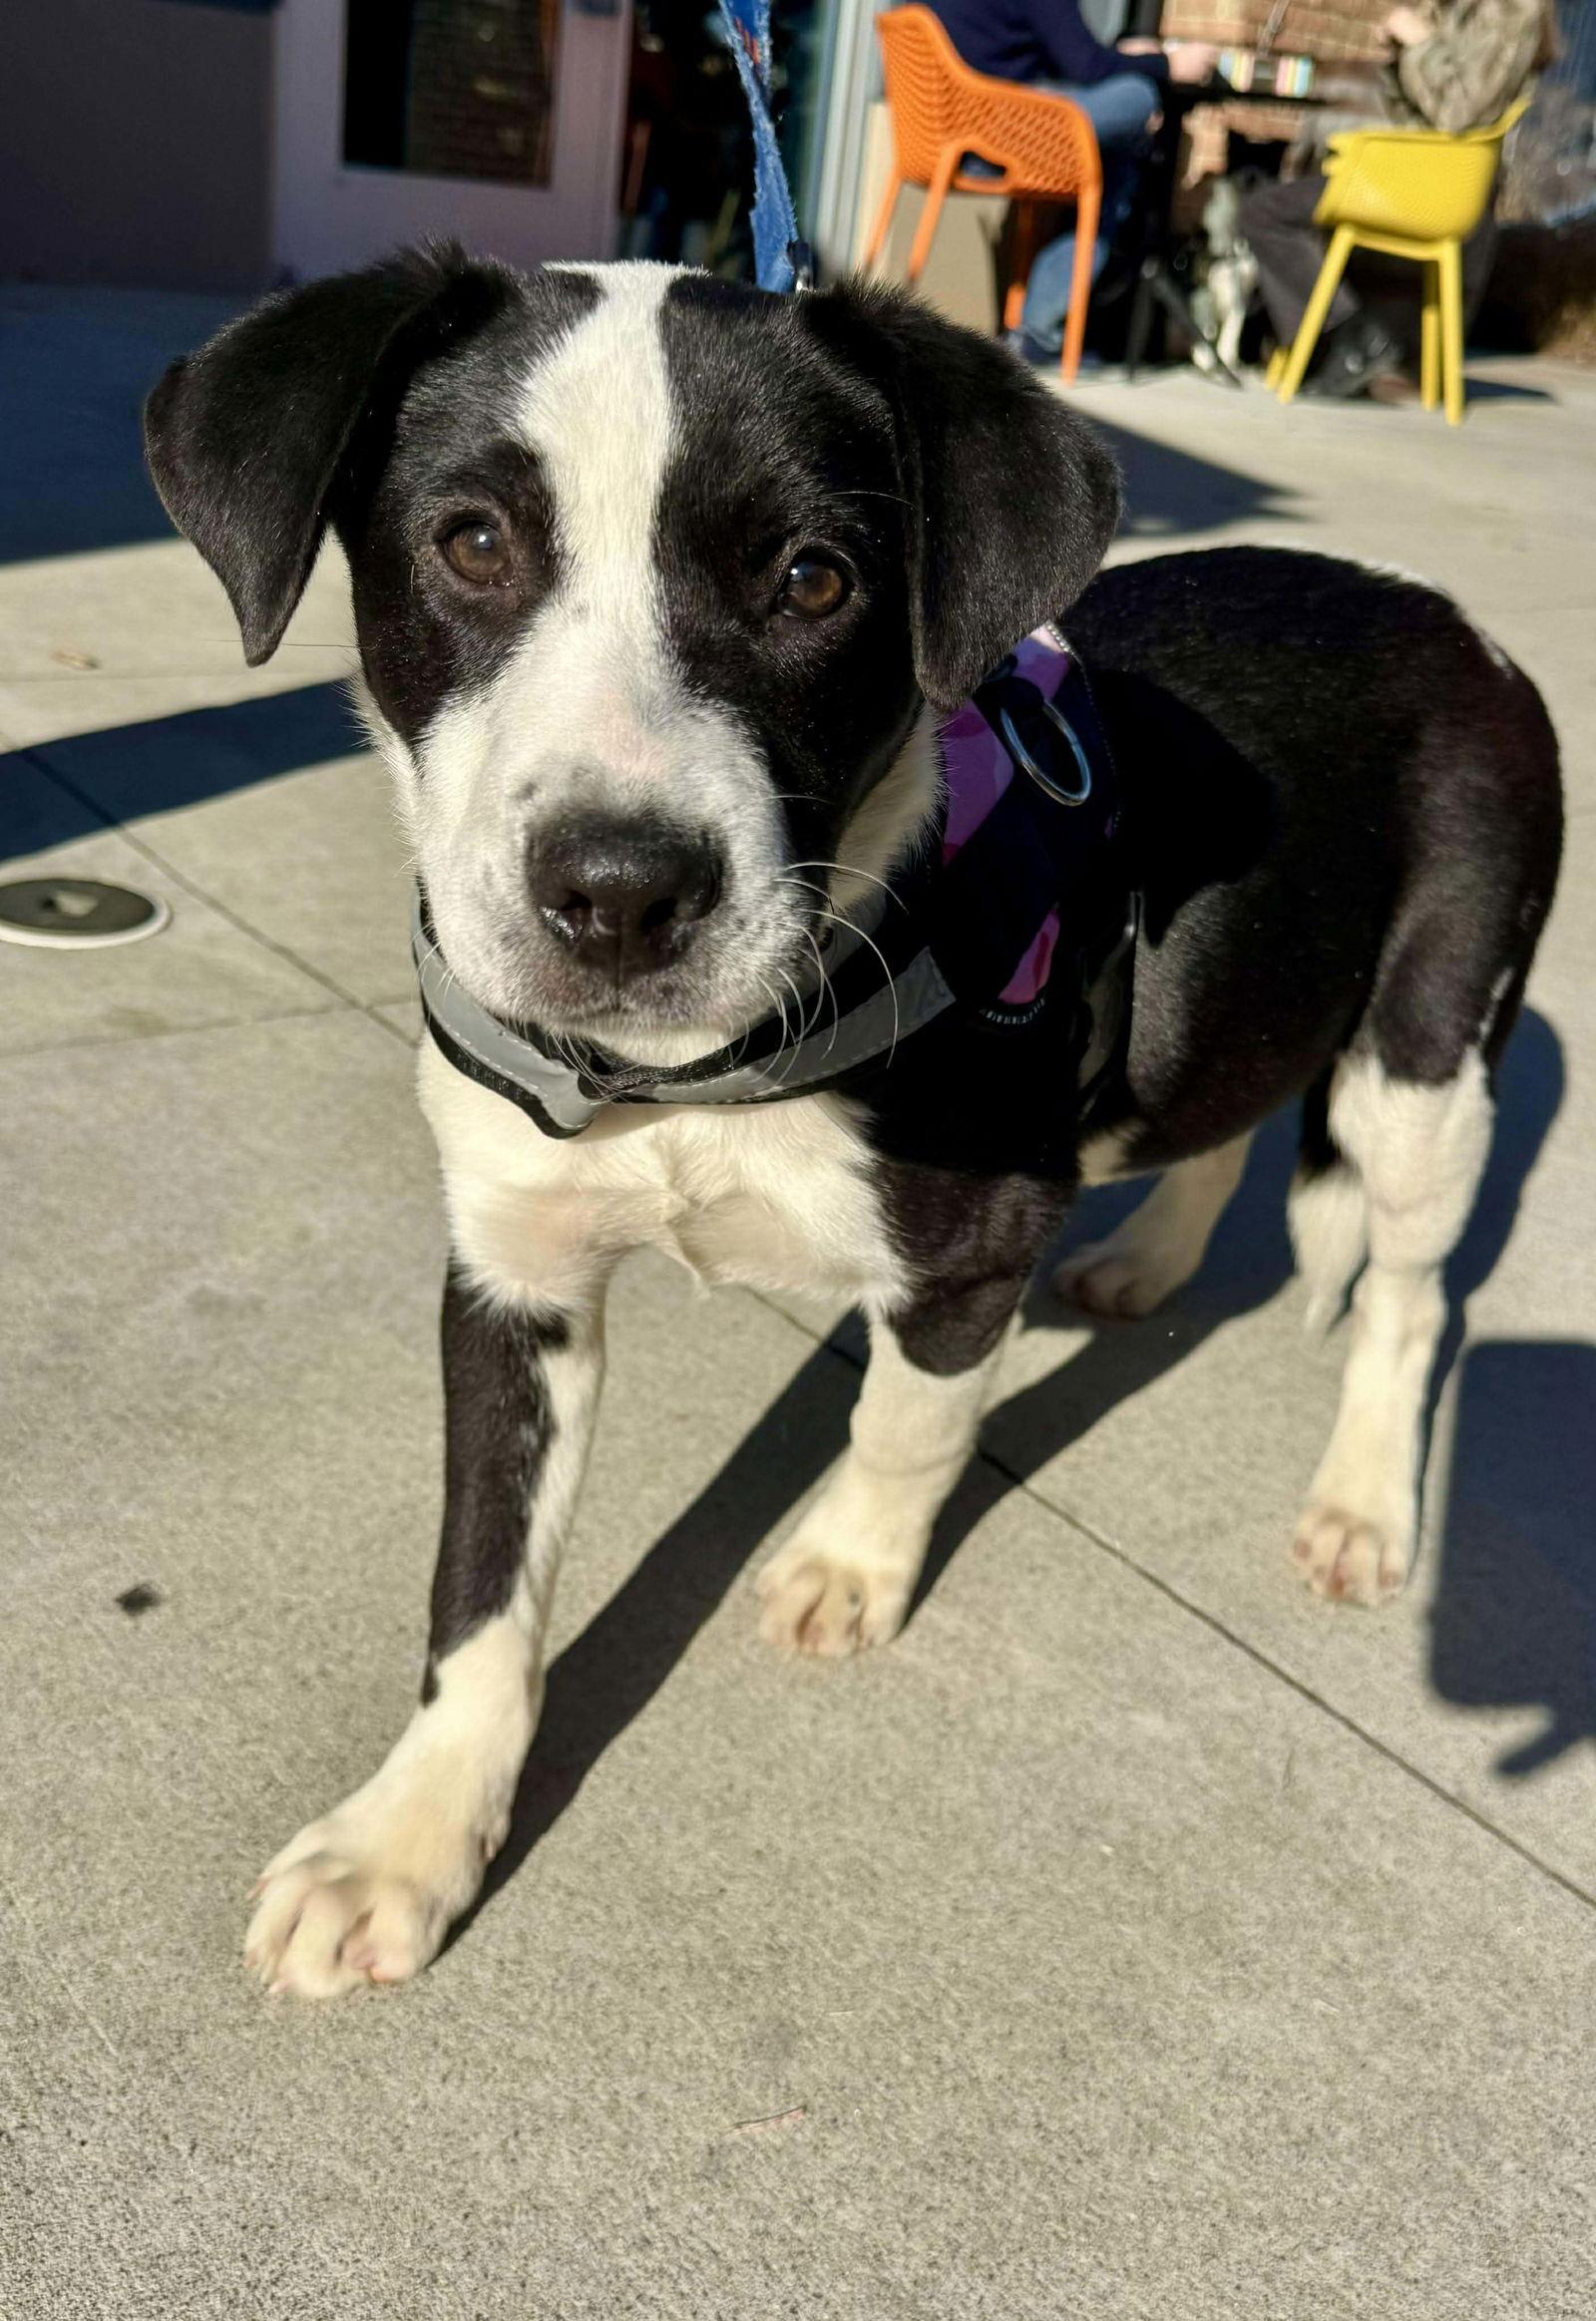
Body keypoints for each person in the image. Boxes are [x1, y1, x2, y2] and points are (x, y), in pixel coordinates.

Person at [1240, 0, 1556, 397]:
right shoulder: (1461, 9)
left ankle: (1348, 338)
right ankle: (1336, 343)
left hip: (1431, 180)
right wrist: (1400, 48)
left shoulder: (1511, 13)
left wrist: (1419, 40)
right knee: (1277, 202)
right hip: (1411, 167)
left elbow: (1460, 114)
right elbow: (1421, 98)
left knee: (1265, 211)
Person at [932, 1, 1218, 361]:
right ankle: (1039, 333)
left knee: (1112, 152)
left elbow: (1042, 58)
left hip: (945, 136)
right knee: (1136, 98)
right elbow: (1085, 66)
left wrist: (1120, 57)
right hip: (1000, 141)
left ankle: (1041, 332)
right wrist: (1167, 64)